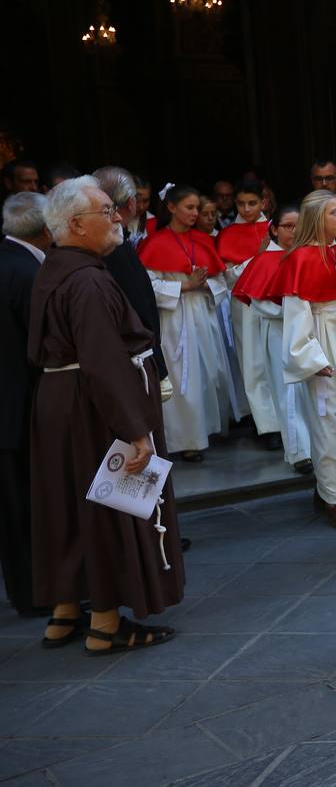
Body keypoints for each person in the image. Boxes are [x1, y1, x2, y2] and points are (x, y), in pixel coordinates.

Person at [29, 177, 184, 652]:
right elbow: (102, 360)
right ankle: (106, 626)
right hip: (93, 408)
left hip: (63, 401)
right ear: (76, 224)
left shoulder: (56, 268)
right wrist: (135, 431)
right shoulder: (89, 280)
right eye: (105, 211)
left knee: (73, 507)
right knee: (110, 509)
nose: (118, 216)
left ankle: (65, 612)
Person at [268, 190, 336, 528]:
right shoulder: (299, 259)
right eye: (334, 213)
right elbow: (297, 315)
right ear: (318, 218)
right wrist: (312, 358)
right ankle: (334, 497)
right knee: (328, 424)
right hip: (322, 341)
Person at [137, 185, 233, 462]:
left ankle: (207, 430)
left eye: (197, 209)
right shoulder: (155, 244)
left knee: (209, 372)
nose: (195, 214)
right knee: (182, 378)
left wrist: (204, 286)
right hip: (175, 319)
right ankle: (186, 440)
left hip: (203, 316)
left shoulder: (202, 241)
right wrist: (184, 287)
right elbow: (148, 287)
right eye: (189, 208)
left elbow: (221, 281)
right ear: (171, 208)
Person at [231, 207, 314, 474]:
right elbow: (261, 304)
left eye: (297, 226)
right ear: (274, 229)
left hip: (312, 332)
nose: (293, 231)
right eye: (287, 226)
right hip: (281, 332)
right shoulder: (264, 260)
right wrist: (298, 311)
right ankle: (300, 451)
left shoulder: (309, 253)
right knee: (287, 391)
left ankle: (317, 445)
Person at [0, 192, 49, 616]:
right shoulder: (28, 271)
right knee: (27, 505)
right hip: (21, 406)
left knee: (13, 509)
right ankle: (39, 593)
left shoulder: (8, 261)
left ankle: (27, 589)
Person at [93, 166, 168, 393]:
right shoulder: (113, 247)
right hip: (133, 360)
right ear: (130, 202)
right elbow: (138, 305)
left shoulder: (110, 242)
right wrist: (158, 365)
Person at [218, 181, 280, 449]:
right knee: (253, 362)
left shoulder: (278, 227)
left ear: (263, 202)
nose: (246, 208)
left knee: (279, 359)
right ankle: (267, 426)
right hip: (244, 304)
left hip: (276, 301)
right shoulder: (229, 233)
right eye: (241, 204)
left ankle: (287, 419)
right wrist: (257, 256)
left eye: (252, 203)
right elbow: (229, 277)